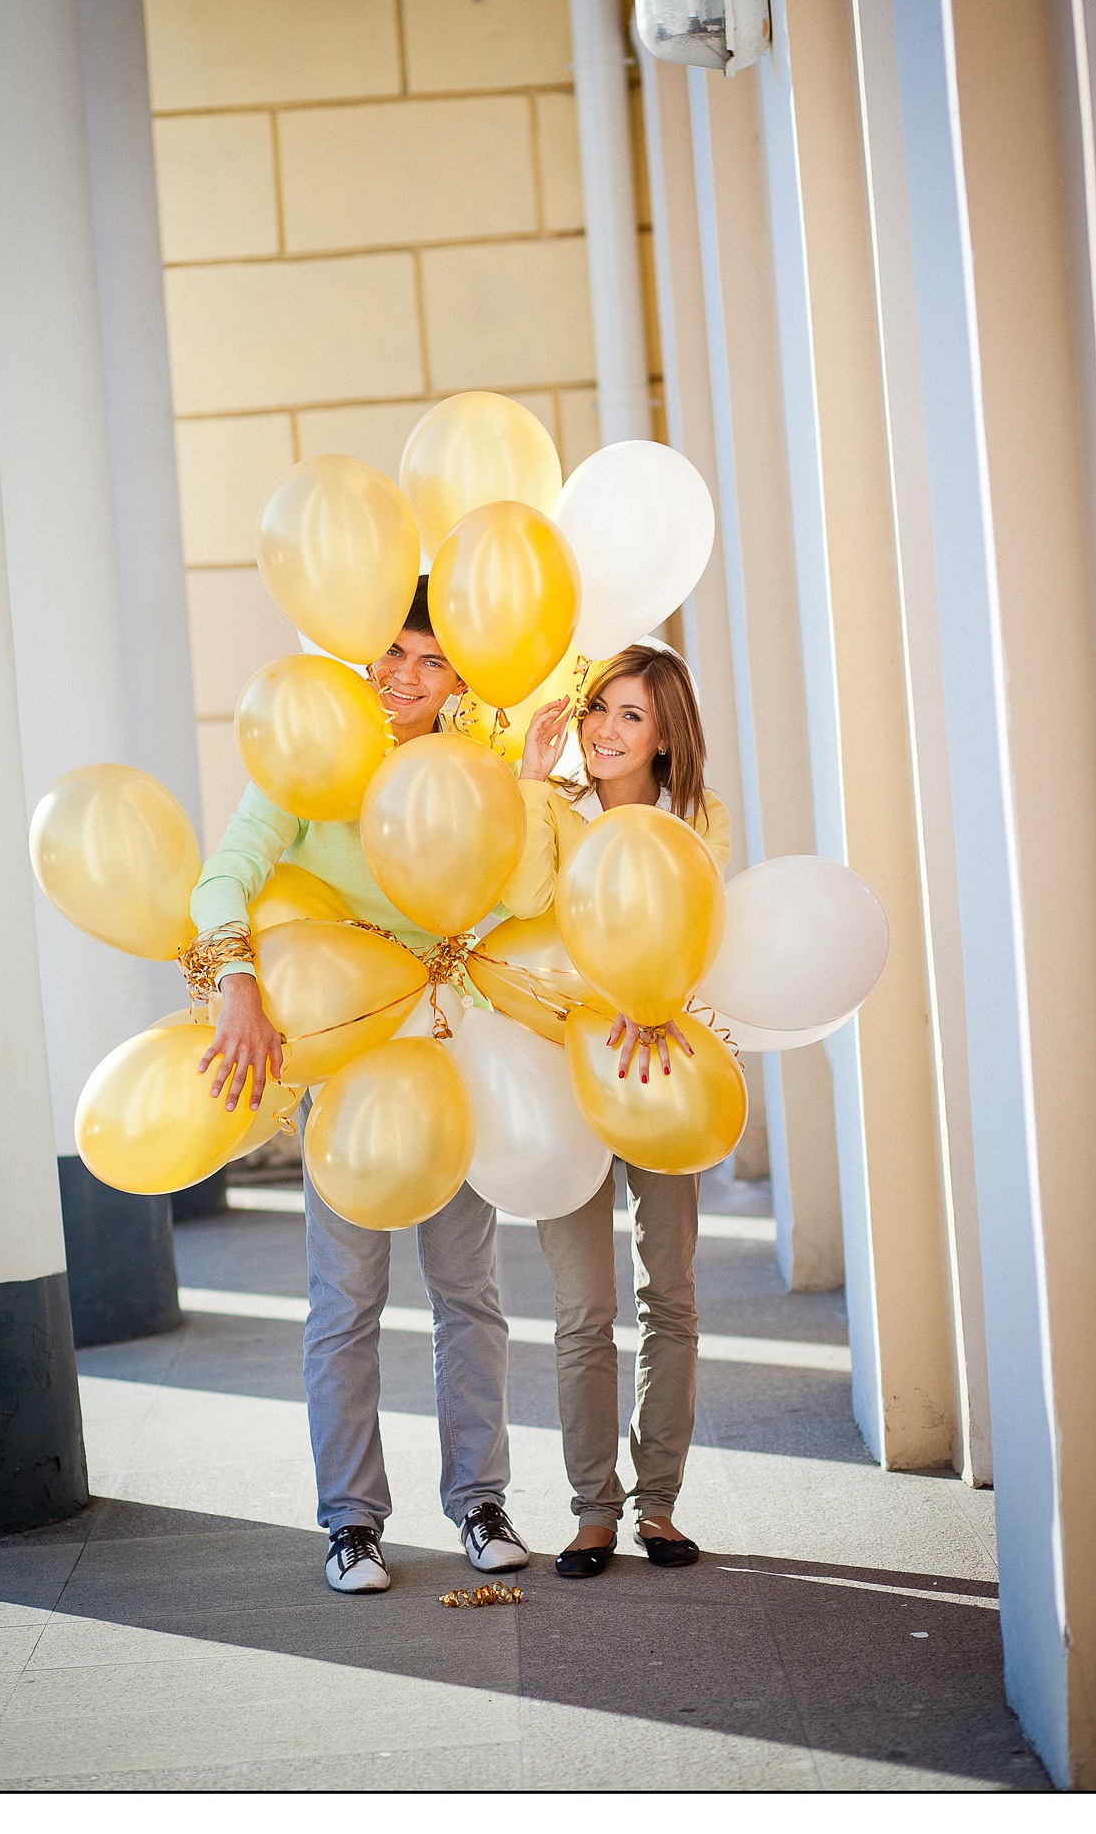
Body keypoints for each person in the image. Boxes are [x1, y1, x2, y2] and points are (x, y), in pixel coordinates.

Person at [188, 578, 530, 1596]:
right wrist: (237, 982)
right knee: (344, 1299)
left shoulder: (477, 766)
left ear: (459, 679)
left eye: (431, 659)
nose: (404, 675)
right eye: (391, 650)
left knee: (468, 1292)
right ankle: (350, 1523)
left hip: (446, 1050)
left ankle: (481, 1502)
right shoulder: (314, 756)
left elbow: (519, 893)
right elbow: (224, 873)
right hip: (342, 1058)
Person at [503, 644, 732, 1579]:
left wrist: (655, 992)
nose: (603, 728)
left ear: (666, 734)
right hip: (565, 1075)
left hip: (666, 1071)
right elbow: (523, 899)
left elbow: (704, 933)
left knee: (668, 1294)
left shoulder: (698, 819)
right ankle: (594, 1512)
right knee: (583, 1308)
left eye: (631, 714)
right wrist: (528, 781)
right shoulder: (556, 808)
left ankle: (659, 1506)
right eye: (598, 707)